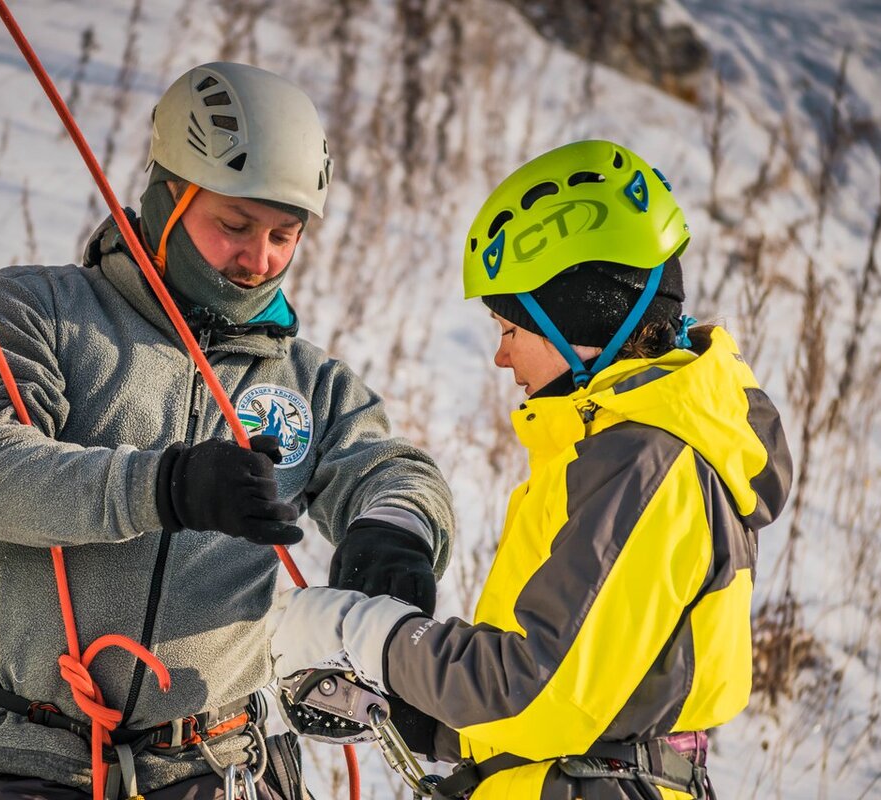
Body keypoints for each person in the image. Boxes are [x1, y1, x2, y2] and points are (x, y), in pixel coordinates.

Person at [0, 61, 455, 800]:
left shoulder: (308, 383)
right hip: (10, 753)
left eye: (283, 234)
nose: (258, 258)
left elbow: (391, 469)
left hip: (216, 765)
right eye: (233, 225)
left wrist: (395, 528)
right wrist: (162, 488)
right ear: (167, 198)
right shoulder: (33, 311)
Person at [269, 140, 792, 799]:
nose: (501, 358)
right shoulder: (617, 451)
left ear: (577, 325)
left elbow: (536, 688)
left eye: (510, 329)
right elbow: (578, 691)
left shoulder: (646, 461)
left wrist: (362, 633)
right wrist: (407, 707)